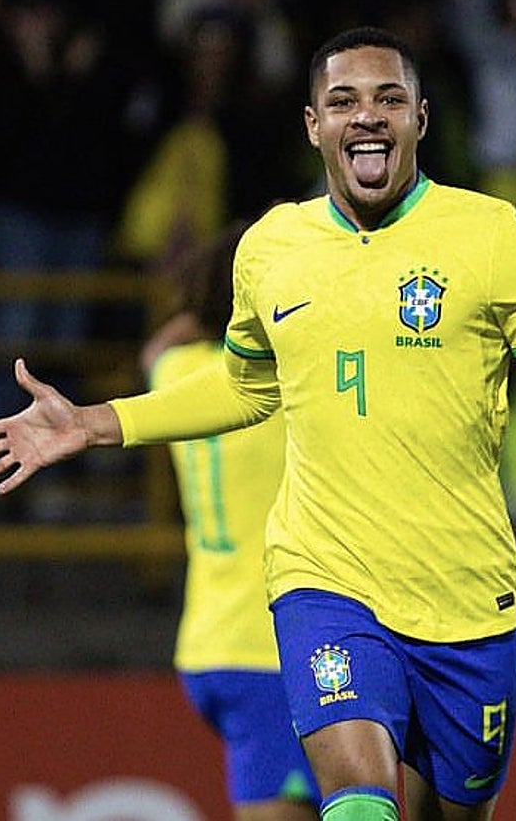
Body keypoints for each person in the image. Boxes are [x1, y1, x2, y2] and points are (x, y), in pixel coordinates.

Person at [0, 26, 516, 821]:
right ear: (315, 127)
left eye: (388, 99)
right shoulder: (271, 247)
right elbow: (244, 388)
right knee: (358, 800)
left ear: (419, 118)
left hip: (467, 599)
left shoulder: (494, 238)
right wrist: (94, 423)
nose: (366, 116)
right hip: (324, 581)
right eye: (343, 102)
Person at [140, 222, 319, 820]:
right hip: (275, 652)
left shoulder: (179, 374)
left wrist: (211, 303)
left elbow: (157, 350)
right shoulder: (282, 385)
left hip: (213, 641)